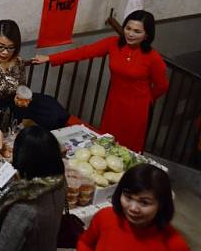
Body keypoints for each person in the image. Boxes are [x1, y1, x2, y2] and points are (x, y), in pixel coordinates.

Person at [33, 10, 169, 152]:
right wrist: (50, 58)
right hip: (114, 103)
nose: (130, 34)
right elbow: (83, 52)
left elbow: (162, 86)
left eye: (137, 31)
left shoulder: (153, 58)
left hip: (137, 109)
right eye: (128, 28)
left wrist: (146, 99)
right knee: (108, 143)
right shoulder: (113, 43)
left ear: (147, 35)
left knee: (128, 148)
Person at [77, 164, 193, 251]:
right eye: (128, 197)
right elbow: (85, 243)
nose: (132, 208)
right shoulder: (106, 217)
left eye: (144, 202)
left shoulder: (175, 246)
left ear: (161, 204)